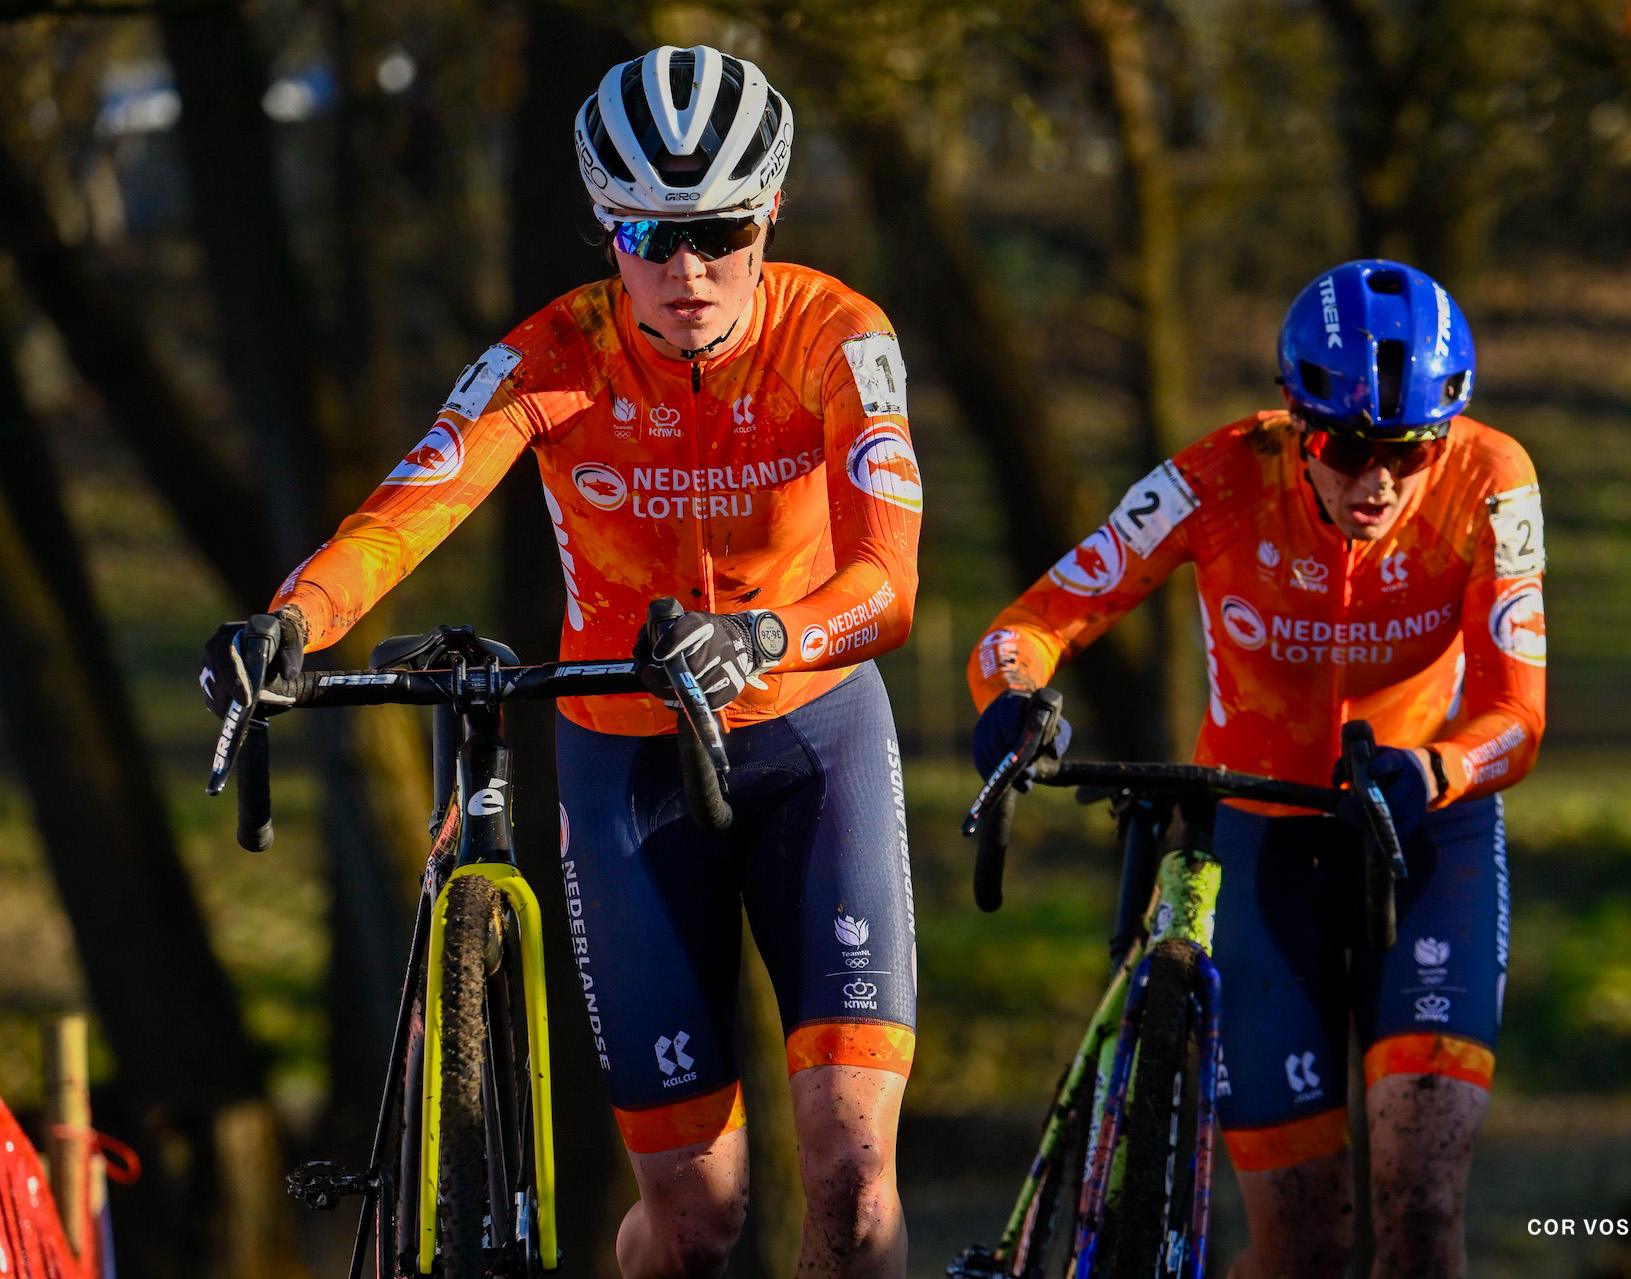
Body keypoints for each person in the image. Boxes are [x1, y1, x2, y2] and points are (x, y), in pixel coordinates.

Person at [201, 45, 921, 1279]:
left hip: (813, 743)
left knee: (852, 1187)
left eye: (723, 228)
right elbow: (409, 507)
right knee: (695, 1215)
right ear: (605, 226)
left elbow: (890, 587)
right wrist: (294, 621)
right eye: (650, 234)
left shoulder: (837, 335)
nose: (689, 268)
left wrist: (762, 636)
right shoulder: (554, 354)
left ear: (772, 214)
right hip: (625, 766)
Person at [967, 260, 1544, 1278]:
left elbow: (1518, 715)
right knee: (1303, 1244)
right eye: (1349, 446)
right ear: (1295, 417)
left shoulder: (1493, 481)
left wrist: (1433, 769)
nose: (1379, 482)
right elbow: (1031, 624)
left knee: (1420, 1215)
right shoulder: (1222, 474)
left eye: (1410, 452)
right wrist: (1013, 705)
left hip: (1424, 830)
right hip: (1259, 836)